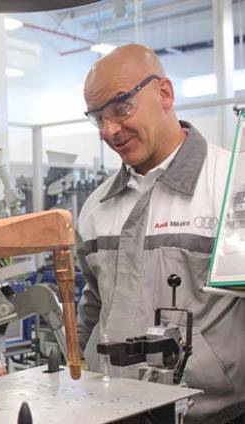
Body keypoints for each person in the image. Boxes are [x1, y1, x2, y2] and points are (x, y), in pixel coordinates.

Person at [77, 44, 245, 423]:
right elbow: (92, 308)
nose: (109, 130)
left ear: (165, 93)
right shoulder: (96, 207)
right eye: (97, 118)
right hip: (108, 412)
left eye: (121, 108)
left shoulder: (234, 186)